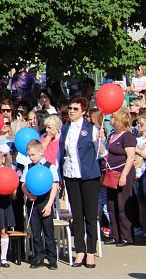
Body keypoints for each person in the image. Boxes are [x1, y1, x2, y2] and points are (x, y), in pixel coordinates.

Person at [57, 97, 101, 268]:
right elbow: (62, 153)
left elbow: (100, 153)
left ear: (83, 111)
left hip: (89, 176)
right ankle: (80, 251)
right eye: (70, 108)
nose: (72, 111)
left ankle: (91, 251)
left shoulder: (91, 128)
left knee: (90, 215)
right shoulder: (65, 129)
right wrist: (60, 176)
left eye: (76, 108)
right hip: (71, 175)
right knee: (77, 214)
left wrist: (100, 140)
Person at [21, 140, 59, 270]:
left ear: (41, 152)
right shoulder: (29, 167)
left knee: (48, 232)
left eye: (33, 155)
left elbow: (54, 186)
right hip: (33, 202)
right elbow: (23, 185)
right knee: (36, 232)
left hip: (45, 201)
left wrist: (49, 205)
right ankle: (38, 257)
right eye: (29, 155)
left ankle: (52, 259)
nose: (31, 158)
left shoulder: (50, 167)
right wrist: (28, 194)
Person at [104, 107, 137, 246]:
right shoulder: (112, 135)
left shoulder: (127, 136)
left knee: (123, 205)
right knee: (112, 205)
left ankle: (127, 236)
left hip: (122, 173)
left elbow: (130, 157)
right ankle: (115, 235)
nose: (110, 120)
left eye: (113, 117)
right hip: (111, 173)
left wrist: (124, 175)